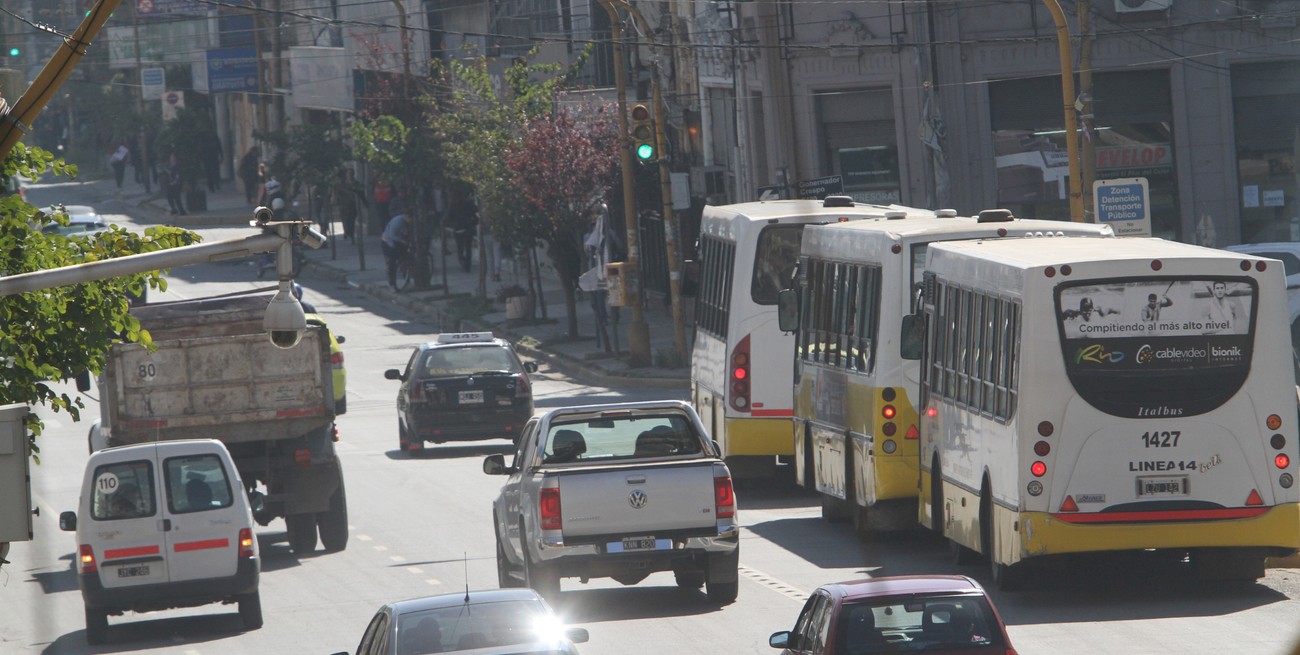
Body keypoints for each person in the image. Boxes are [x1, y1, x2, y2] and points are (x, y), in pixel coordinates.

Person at [381, 212, 412, 292]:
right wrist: (402, 241)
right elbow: (392, 235)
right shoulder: (397, 222)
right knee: (392, 263)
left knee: (406, 258)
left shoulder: (407, 223)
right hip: (388, 242)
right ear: (407, 216)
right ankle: (392, 284)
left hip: (398, 242)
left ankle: (406, 278)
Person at [334, 168, 366, 243]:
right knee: (345, 220)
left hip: (353, 205)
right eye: (348, 174)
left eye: (351, 174)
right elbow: (338, 193)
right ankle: (347, 233)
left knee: (351, 220)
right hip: (343, 205)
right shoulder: (343, 184)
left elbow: (361, 193)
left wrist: (365, 203)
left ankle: (350, 235)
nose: (349, 175)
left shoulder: (356, 183)